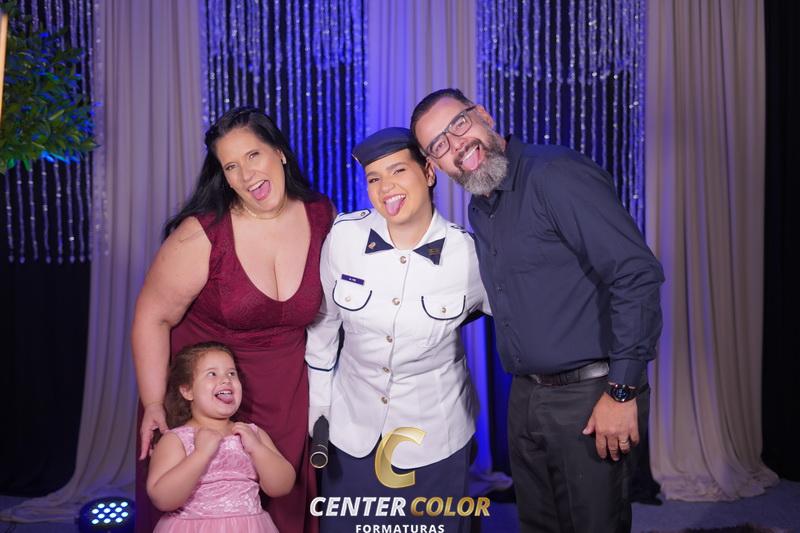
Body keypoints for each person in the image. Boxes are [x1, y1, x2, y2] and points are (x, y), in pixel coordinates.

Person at [411, 89, 665, 533]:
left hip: (591, 395)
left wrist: (622, 390)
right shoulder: (481, 205)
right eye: (439, 145)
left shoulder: (554, 175)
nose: (457, 145)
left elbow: (635, 273)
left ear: (483, 115)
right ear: (435, 164)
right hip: (527, 397)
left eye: (459, 125)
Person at [132, 106, 333, 533]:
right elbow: (152, 317)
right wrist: (153, 403)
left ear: (279, 152)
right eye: (231, 166)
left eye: (253, 155)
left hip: (287, 394)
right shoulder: (201, 234)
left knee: (283, 505)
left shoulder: (320, 215)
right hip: (207, 395)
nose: (246, 175)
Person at [305, 127, 490, 532]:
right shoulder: (344, 237)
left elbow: (520, 319)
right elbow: (323, 331)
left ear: (428, 172)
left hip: (436, 437)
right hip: (352, 433)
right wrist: (319, 415)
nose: (385, 187)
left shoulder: (470, 255)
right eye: (374, 178)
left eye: (398, 171)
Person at [148, 342, 295, 532]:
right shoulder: (176, 439)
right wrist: (200, 455)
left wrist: (257, 449)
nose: (226, 380)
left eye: (231, 373)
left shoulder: (252, 433)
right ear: (187, 391)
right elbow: (163, 499)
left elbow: (282, 486)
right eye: (212, 374)